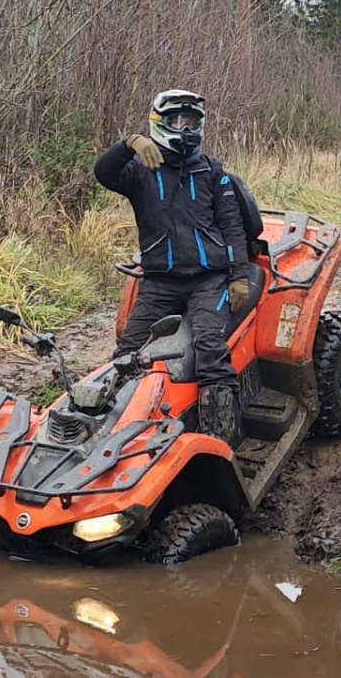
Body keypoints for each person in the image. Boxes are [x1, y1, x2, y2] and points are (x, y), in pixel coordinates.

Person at [94, 89, 250, 444]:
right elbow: (103, 173)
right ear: (160, 123)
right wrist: (128, 144)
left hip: (207, 279)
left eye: (192, 121)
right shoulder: (140, 170)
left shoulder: (212, 171)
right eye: (178, 121)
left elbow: (231, 226)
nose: (186, 127)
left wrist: (238, 276)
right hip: (159, 281)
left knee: (211, 347)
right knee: (127, 352)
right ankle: (109, 433)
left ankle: (221, 440)